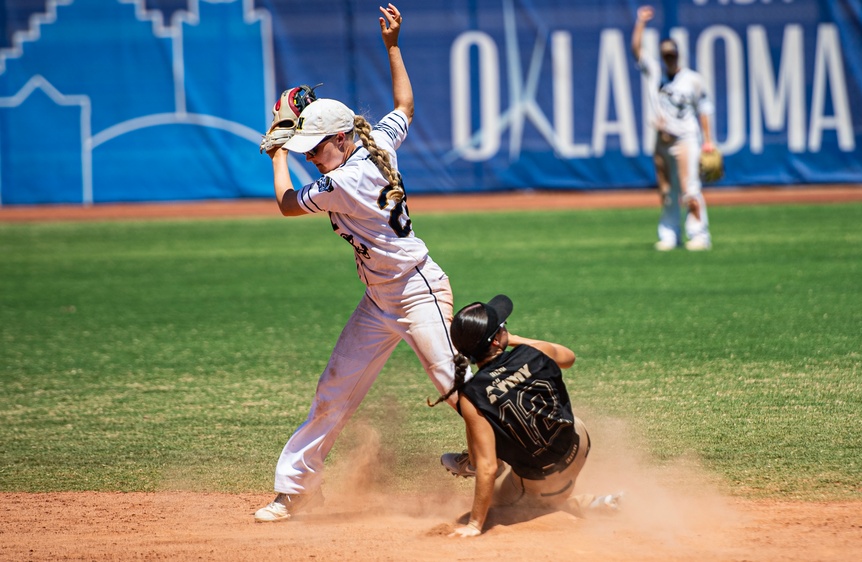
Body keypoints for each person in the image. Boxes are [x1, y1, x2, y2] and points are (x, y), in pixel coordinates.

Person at [255, 4, 461, 522]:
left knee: (453, 384)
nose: (308, 155)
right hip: (379, 299)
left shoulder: (343, 181)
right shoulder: (377, 142)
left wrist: (276, 153)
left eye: (314, 147)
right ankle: (297, 488)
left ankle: (518, 456)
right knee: (334, 391)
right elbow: (406, 106)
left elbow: (284, 205)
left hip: (419, 292)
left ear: (342, 140)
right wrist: (392, 46)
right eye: (305, 150)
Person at [430, 295, 622, 537]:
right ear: (498, 340)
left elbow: (488, 469)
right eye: (503, 328)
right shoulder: (536, 352)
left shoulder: (471, 394)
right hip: (579, 440)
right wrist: (515, 341)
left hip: (546, 477)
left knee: (502, 503)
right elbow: (569, 358)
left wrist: (475, 524)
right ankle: (477, 463)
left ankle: (587, 503)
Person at [632, 5, 716, 251]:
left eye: (672, 55)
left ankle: (700, 234)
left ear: (677, 55)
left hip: (686, 139)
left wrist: (708, 140)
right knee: (667, 191)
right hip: (662, 140)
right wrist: (640, 23)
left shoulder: (692, 79)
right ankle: (669, 234)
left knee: (690, 188)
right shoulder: (654, 72)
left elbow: (705, 108)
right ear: (661, 56)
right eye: (666, 55)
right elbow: (636, 50)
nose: (669, 58)